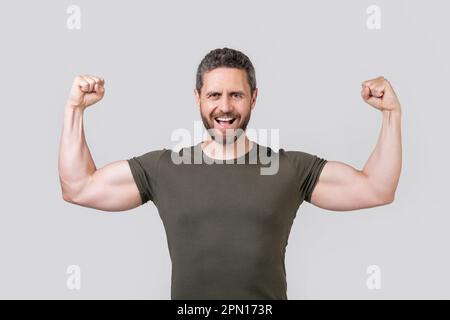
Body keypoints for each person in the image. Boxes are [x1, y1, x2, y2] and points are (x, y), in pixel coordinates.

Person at [58, 47, 402, 300]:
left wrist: (392, 115)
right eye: (214, 95)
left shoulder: (290, 169)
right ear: (198, 98)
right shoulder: (164, 169)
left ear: (254, 98)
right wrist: (74, 110)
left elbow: (376, 188)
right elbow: (79, 187)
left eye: (236, 95)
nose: (224, 107)